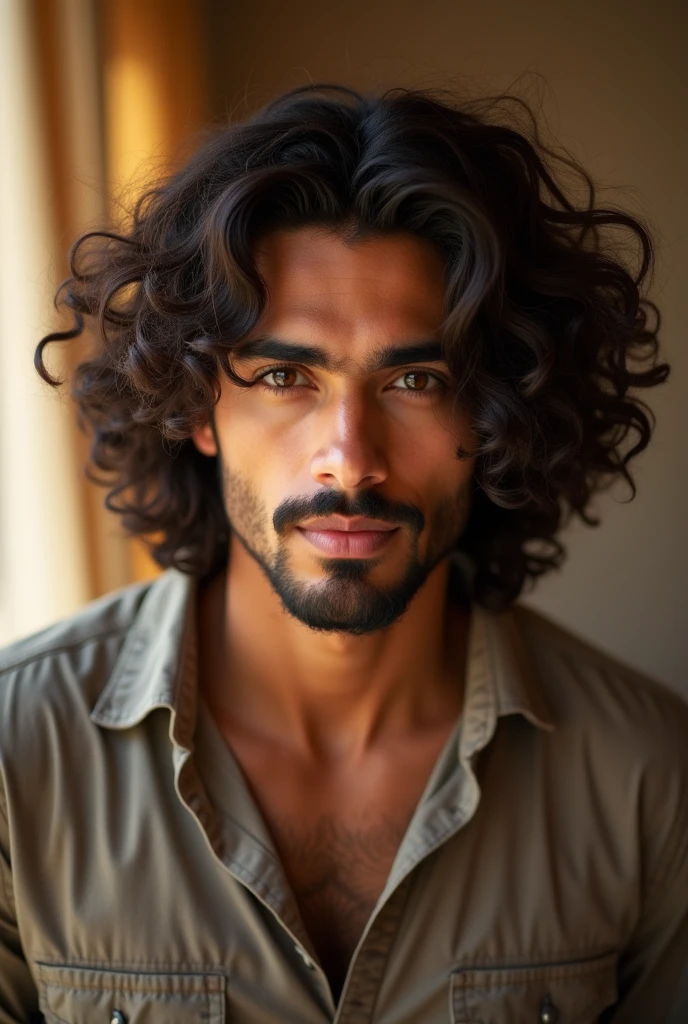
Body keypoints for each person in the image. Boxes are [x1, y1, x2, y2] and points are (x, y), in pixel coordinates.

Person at [0, 83, 685, 1024]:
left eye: (416, 379)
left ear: (495, 416)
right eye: (286, 376)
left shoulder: (648, 773)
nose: (351, 460)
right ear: (198, 407)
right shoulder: (15, 756)